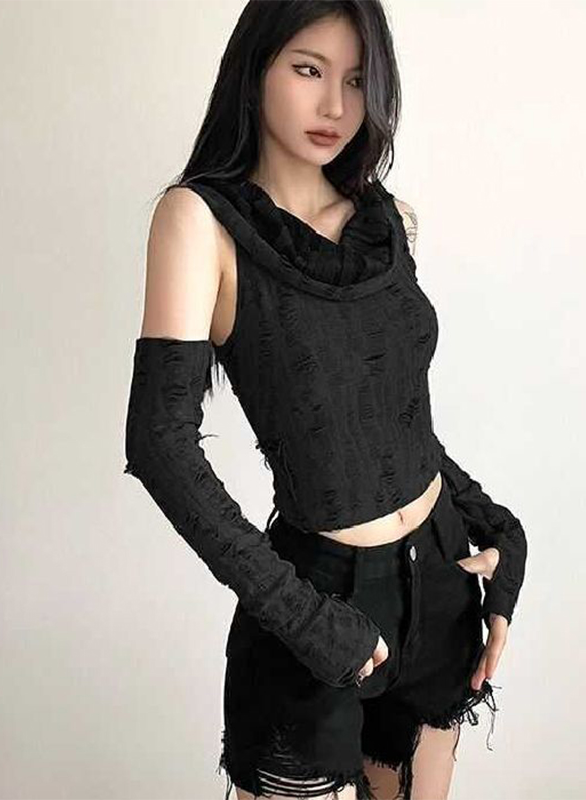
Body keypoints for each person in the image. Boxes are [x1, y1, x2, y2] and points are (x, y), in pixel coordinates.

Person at [123, 2, 527, 799]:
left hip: (442, 583)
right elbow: (160, 443)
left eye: (357, 80)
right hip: (313, 601)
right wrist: (305, 619)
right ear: (255, 69)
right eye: (309, 70)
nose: (336, 106)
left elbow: (395, 424)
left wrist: (496, 526)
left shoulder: (389, 221)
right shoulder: (199, 222)